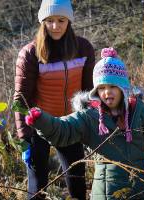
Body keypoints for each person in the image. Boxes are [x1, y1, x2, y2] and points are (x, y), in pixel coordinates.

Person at [23, 47, 144, 199]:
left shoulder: (140, 113)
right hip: (106, 195)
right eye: (102, 87)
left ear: (123, 88)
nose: (107, 92)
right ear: (96, 91)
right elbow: (63, 130)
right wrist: (41, 120)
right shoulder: (89, 117)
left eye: (113, 86)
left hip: (140, 192)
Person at [13, 0, 95, 199]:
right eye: (49, 21)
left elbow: (90, 91)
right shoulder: (30, 54)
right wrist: (25, 140)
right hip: (38, 125)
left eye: (61, 20)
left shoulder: (83, 48)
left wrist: (91, 124)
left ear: (69, 21)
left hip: (70, 125)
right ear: (42, 22)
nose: (55, 26)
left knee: (77, 183)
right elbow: (20, 98)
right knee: (37, 186)